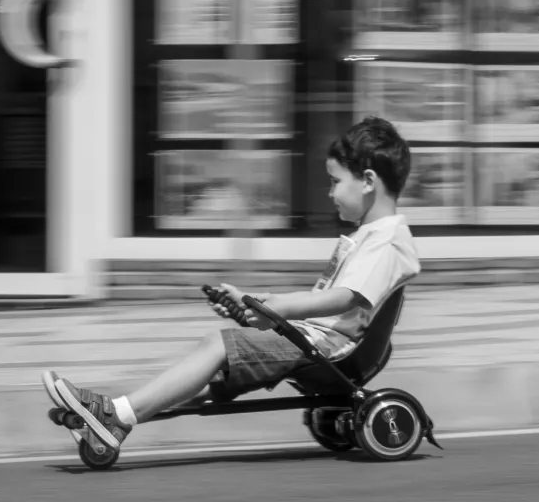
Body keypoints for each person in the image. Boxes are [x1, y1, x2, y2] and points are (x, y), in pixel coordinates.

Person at [42, 116, 422, 452]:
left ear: (368, 181)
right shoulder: (372, 236)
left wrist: (274, 307)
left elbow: (343, 299)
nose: (329, 192)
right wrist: (259, 314)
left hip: (328, 349)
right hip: (314, 341)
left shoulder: (386, 240)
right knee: (214, 375)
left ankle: (113, 416)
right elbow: (334, 306)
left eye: (335, 182)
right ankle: (110, 422)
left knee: (216, 346)